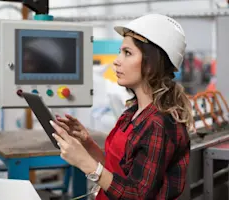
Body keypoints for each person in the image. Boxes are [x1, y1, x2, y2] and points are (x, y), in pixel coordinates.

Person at [50, 13, 192, 200]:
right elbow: (118, 172)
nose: (117, 60)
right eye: (120, 52)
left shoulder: (159, 125)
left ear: (151, 63)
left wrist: (87, 164)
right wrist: (87, 143)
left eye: (127, 53)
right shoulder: (133, 112)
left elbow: (137, 195)